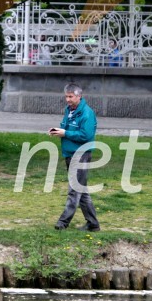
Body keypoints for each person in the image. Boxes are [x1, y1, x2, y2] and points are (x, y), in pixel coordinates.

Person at [50, 83, 100, 232]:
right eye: (66, 96)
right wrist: (57, 131)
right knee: (81, 190)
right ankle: (93, 224)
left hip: (81, 155)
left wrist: (65, 133)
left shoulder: (87, 113)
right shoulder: (69, 110)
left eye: (71, 96)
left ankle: (62, 223)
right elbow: (68, 129)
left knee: (74, 190)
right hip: (70, 154)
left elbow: (86, 135)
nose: (68, 99)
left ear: (79, 96)